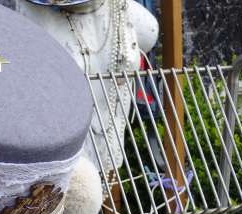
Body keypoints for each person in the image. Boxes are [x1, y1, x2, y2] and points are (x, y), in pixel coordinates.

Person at [15, 0, 159, 174]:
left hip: (108, 149)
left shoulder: (127, 13)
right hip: (59, 159)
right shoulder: (27, 17)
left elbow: (149, 34)